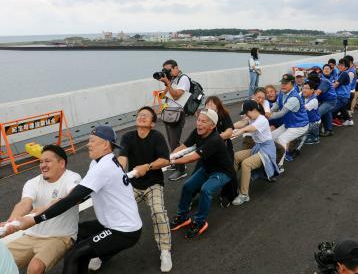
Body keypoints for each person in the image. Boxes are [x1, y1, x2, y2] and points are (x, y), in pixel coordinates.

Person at [11, 126, 142, 274]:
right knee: (78, 234)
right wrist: (47, 206)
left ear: (105, 144)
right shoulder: (100, 162)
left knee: (74, 255)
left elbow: (73, 199)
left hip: (123, 230)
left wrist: (36, 219)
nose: (88, 144)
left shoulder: (103, 167)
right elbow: (79, 193)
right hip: (114, 222)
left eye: (92, 141)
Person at [2, 145, 81, 274]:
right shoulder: (33, 182)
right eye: (41, 161)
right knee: (2, 260)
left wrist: (44, 209)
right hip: (31, 235)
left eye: (47, 161)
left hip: (60, 236)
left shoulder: (72, 178)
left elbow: (74, 197)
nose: (42, 165)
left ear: (61, 163)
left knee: (35, 267)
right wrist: (12, 222)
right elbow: (24, 203)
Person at [117, 106, 172, 272]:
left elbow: (165, 160)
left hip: (153, 183)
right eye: (139, 114)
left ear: (153, 123)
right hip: (133, 186)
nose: (141, 117)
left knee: (158, 212)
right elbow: (122, 159)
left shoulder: (157, 137)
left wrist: (147, 166)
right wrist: (115, 173)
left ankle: (165, 251)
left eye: (146, 116)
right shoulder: (127, 137)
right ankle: (102, 252)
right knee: (117, 214)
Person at [169, 109, 235, 239]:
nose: (199, 123)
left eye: (203, 121)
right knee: (187, 186)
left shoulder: (215, 140)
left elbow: (192, 157)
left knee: (206, 190)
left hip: (223, 172)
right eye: (198, 120)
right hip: (207, 168)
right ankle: (182, 217)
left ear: (212, 126)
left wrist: (170, 161)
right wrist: (170, 155)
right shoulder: (197, 132)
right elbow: (183, 147)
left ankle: (200, 222)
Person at [232, 100, 279, 205]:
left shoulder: (262, 120)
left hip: (267, 149)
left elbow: (250, 128)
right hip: (258, 147)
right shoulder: (251, 117)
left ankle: (244, 195)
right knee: (236, 156)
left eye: (246, 113)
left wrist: (240, 131)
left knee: (246, 163)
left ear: (253, 110)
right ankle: (231, 183)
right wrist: (230, 127)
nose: (245, 115)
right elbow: (242, 123)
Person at [159, 59, 191, 181]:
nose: (167, 72)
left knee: (174, 143)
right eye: (165, 70)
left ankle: (181, 169)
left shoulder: (183, 79)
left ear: (176, 67)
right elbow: (164, 96)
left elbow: (177, 95)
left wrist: (168, 82)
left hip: (177, 114)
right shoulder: (172, 79)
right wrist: (167, 82)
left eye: (168, 70)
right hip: (168, 113)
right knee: (170, 141)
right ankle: (176, 163)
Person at [204, 96, 238, 206]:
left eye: (212, 104)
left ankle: (229, 195)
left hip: (224, 148)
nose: (209, 106)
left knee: (228, 170)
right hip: (209, 150)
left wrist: (215, 139)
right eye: (207, 104)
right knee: (203, 169)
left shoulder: (224, 115)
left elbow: (229, 132)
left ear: (218, 106)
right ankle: (195, 192)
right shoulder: (204, 117)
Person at [269, 74, 309, 164]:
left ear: (292, 83)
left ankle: (279, 165)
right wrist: (269, 111)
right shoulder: (282, 93)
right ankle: (277, 155)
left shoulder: (293, 98)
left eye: (285, 83)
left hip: (299, 125)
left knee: (281, 139)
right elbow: (276, 105)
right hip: (289, 123)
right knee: (272, 137)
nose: (283, 85)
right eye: (282, 83)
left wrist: (266, 116)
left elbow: (281, 113)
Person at [317, 65, 337, 137]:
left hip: (330, 100)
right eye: (324, 69)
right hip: (324, 100)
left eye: (328, 69)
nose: (326, 70)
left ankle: (317, 131)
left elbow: (318, 92)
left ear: (331, 70)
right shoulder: (320, 77)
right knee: (327, 113)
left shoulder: (328, 79)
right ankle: (329, 130)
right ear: (322, 70)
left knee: (318, 112)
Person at [332, 59, 353, 127]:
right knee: (342, 108)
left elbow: (336, 85)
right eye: (339, 64)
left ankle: (329, 126)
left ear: (346, 67)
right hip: (344, 96)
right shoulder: (340, 73)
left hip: (341, 97)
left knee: (331, 110)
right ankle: (349, 121)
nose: (340, 66)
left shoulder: (344, 73)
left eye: (342, 65)